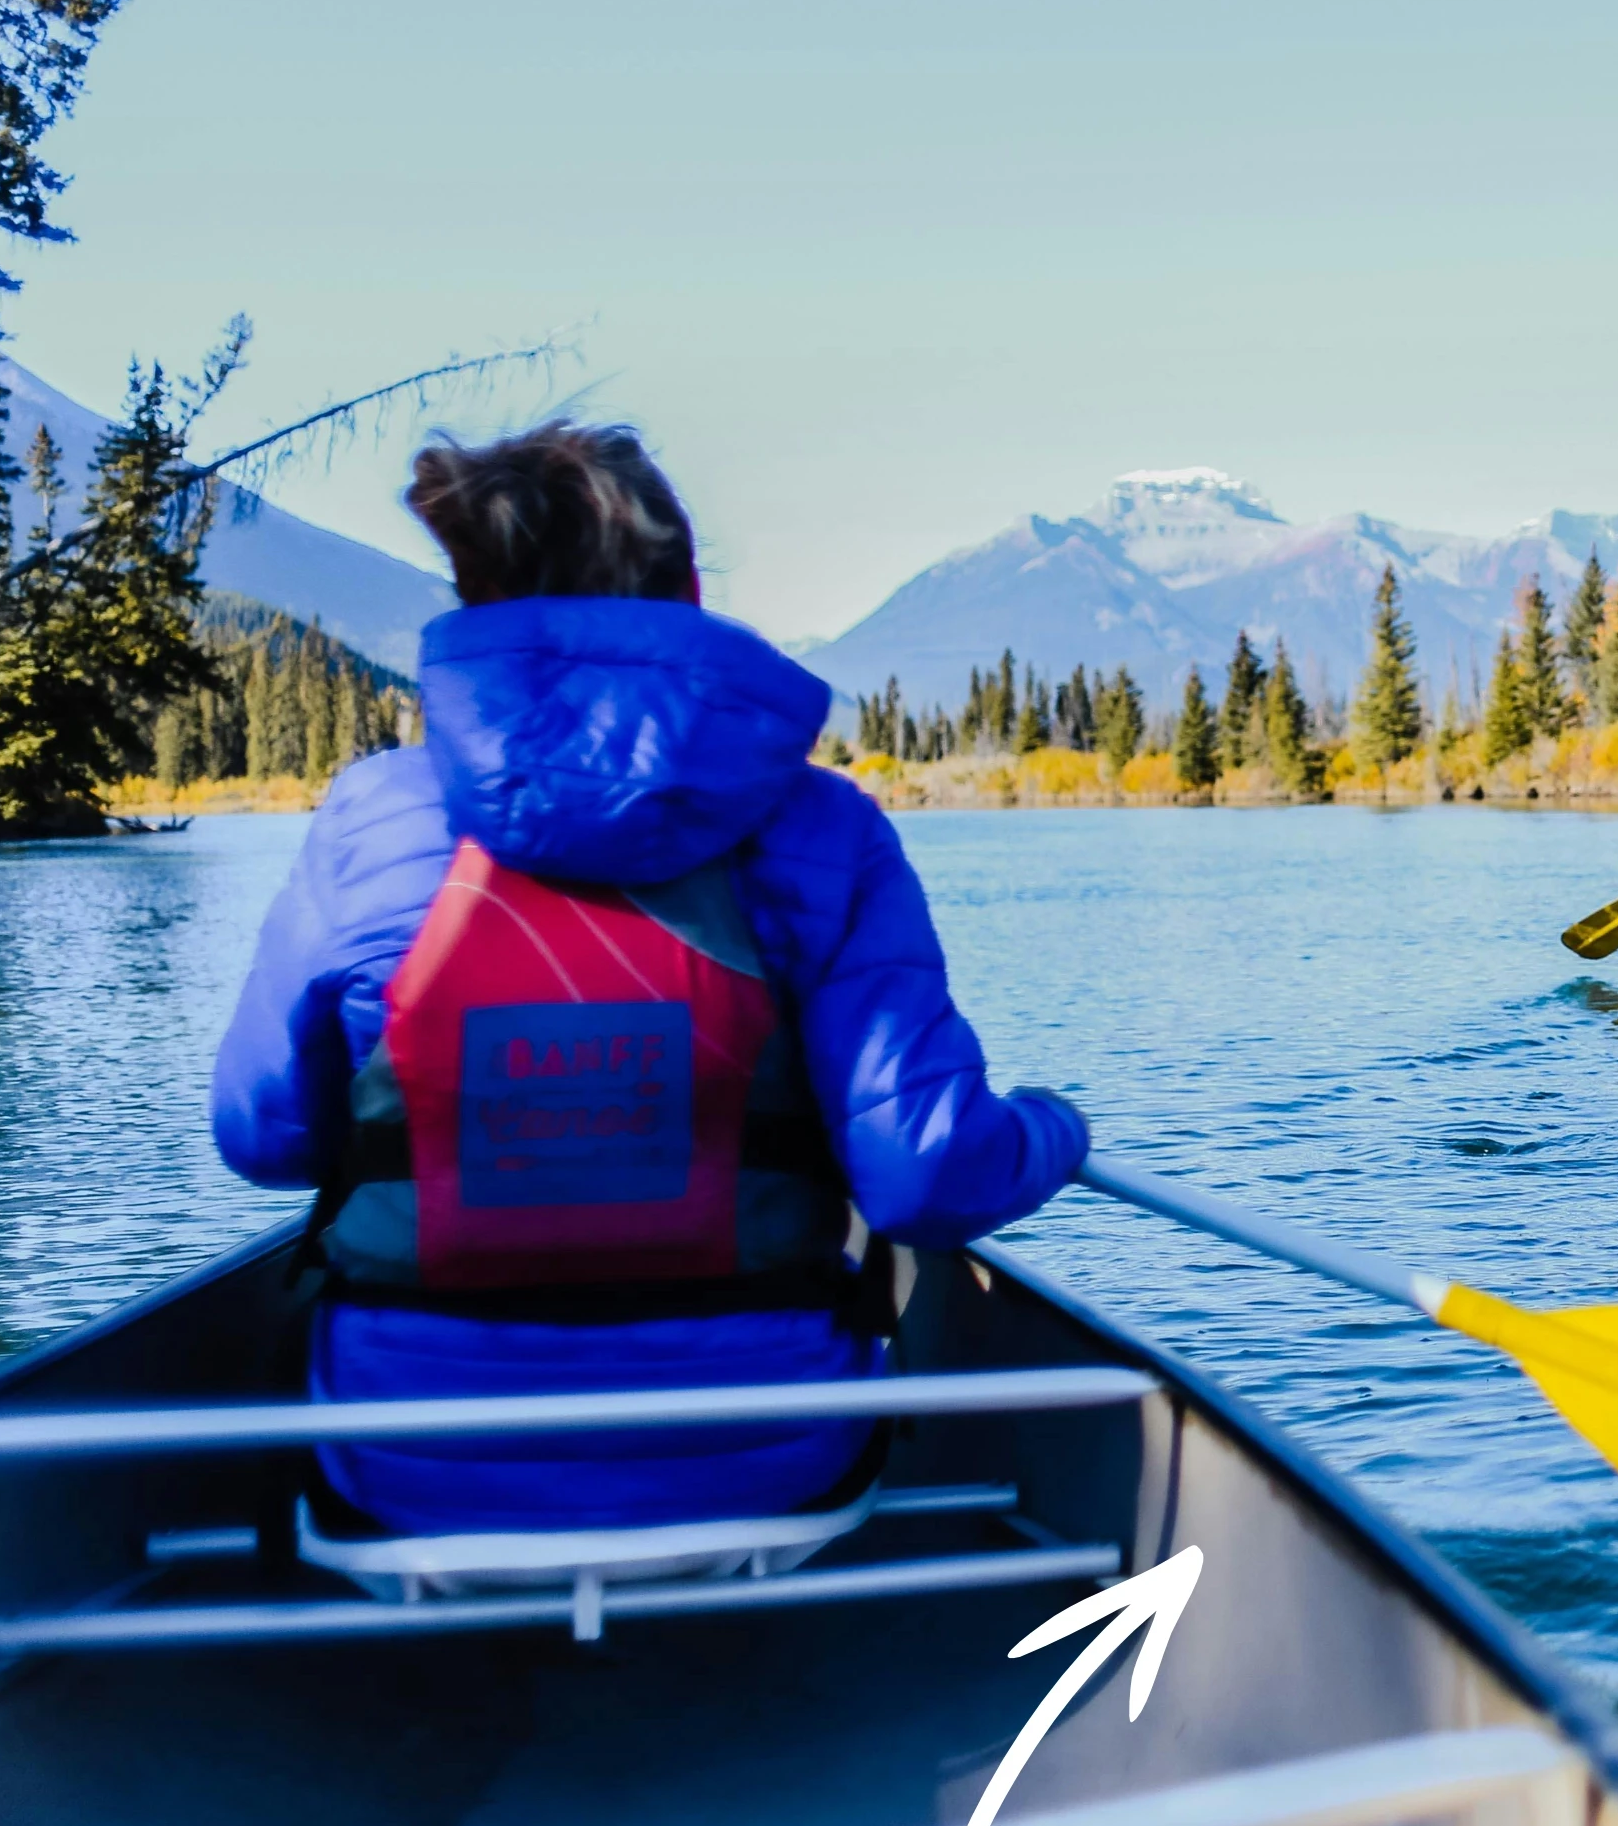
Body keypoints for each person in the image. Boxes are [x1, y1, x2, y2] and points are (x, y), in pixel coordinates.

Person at [210, 421, 1091, 1535]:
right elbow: (925, 1181)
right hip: (768, 1457)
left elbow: (262, 1139)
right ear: (689, 589)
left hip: (409, 1459)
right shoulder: (825, 829)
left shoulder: (373, 819)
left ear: (473, 594)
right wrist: (1060, 1127)